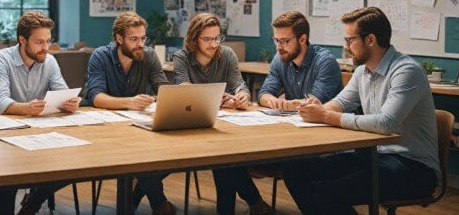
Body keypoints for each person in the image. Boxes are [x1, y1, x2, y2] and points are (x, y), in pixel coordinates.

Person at [282, 6, 439, 214]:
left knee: (327, 193)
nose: (346, 47)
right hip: (375, 155)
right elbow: (340, 103)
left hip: (414, 167)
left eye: (349, 40)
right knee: (294, 169)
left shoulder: (407, 71)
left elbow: (386, 123)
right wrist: (314, 109)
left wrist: (326, 116)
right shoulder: (362, 71)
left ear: (370, 40)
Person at [173, 13, 270, 215]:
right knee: (225, 161)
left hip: (222, 128)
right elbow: (184, 88)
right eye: (207, 39)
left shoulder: (227, 55)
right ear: (193, 40)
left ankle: (246, 206)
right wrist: (214, 97)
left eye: (217, 38)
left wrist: (242, 96)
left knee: (225, 160)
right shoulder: (182, 57)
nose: (214, 44)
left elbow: (239, 83)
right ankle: (255, 203)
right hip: (191, 130)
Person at [0, 11, 80, 215]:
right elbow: (0, 100)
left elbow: (61, 92)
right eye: (39, 42)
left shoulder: (49, 61)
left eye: (48, 41)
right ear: (22, 40)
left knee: (73, 164)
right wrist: (25, 108)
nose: (46, 48)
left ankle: (32, 203)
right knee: (7, 178)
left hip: (43, 133)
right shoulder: (1, 59)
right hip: (7, 137)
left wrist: (69, 102)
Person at [86, 11, 175, 215]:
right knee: (140, 156)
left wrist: (161, 99)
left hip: (137, 127)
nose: (140, 44)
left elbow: (163, 89)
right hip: (105, 130)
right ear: (119, 39)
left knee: (176, 153)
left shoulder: (148, 55)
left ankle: (134, 200)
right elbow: (96, 97)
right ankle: (159, 204)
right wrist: (130, 102)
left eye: (143, 38)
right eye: (134, 39)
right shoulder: (101, 56)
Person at [258, 11, 342, 111]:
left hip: (330, 124)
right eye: (276, 40)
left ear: (302, 39)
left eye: (284, 41)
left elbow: (315, 102)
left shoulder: (325, 62)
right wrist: (274, 101)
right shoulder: (280, 58)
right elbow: (264, 94)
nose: (278, 47)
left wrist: (287, 105)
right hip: (298, 121)